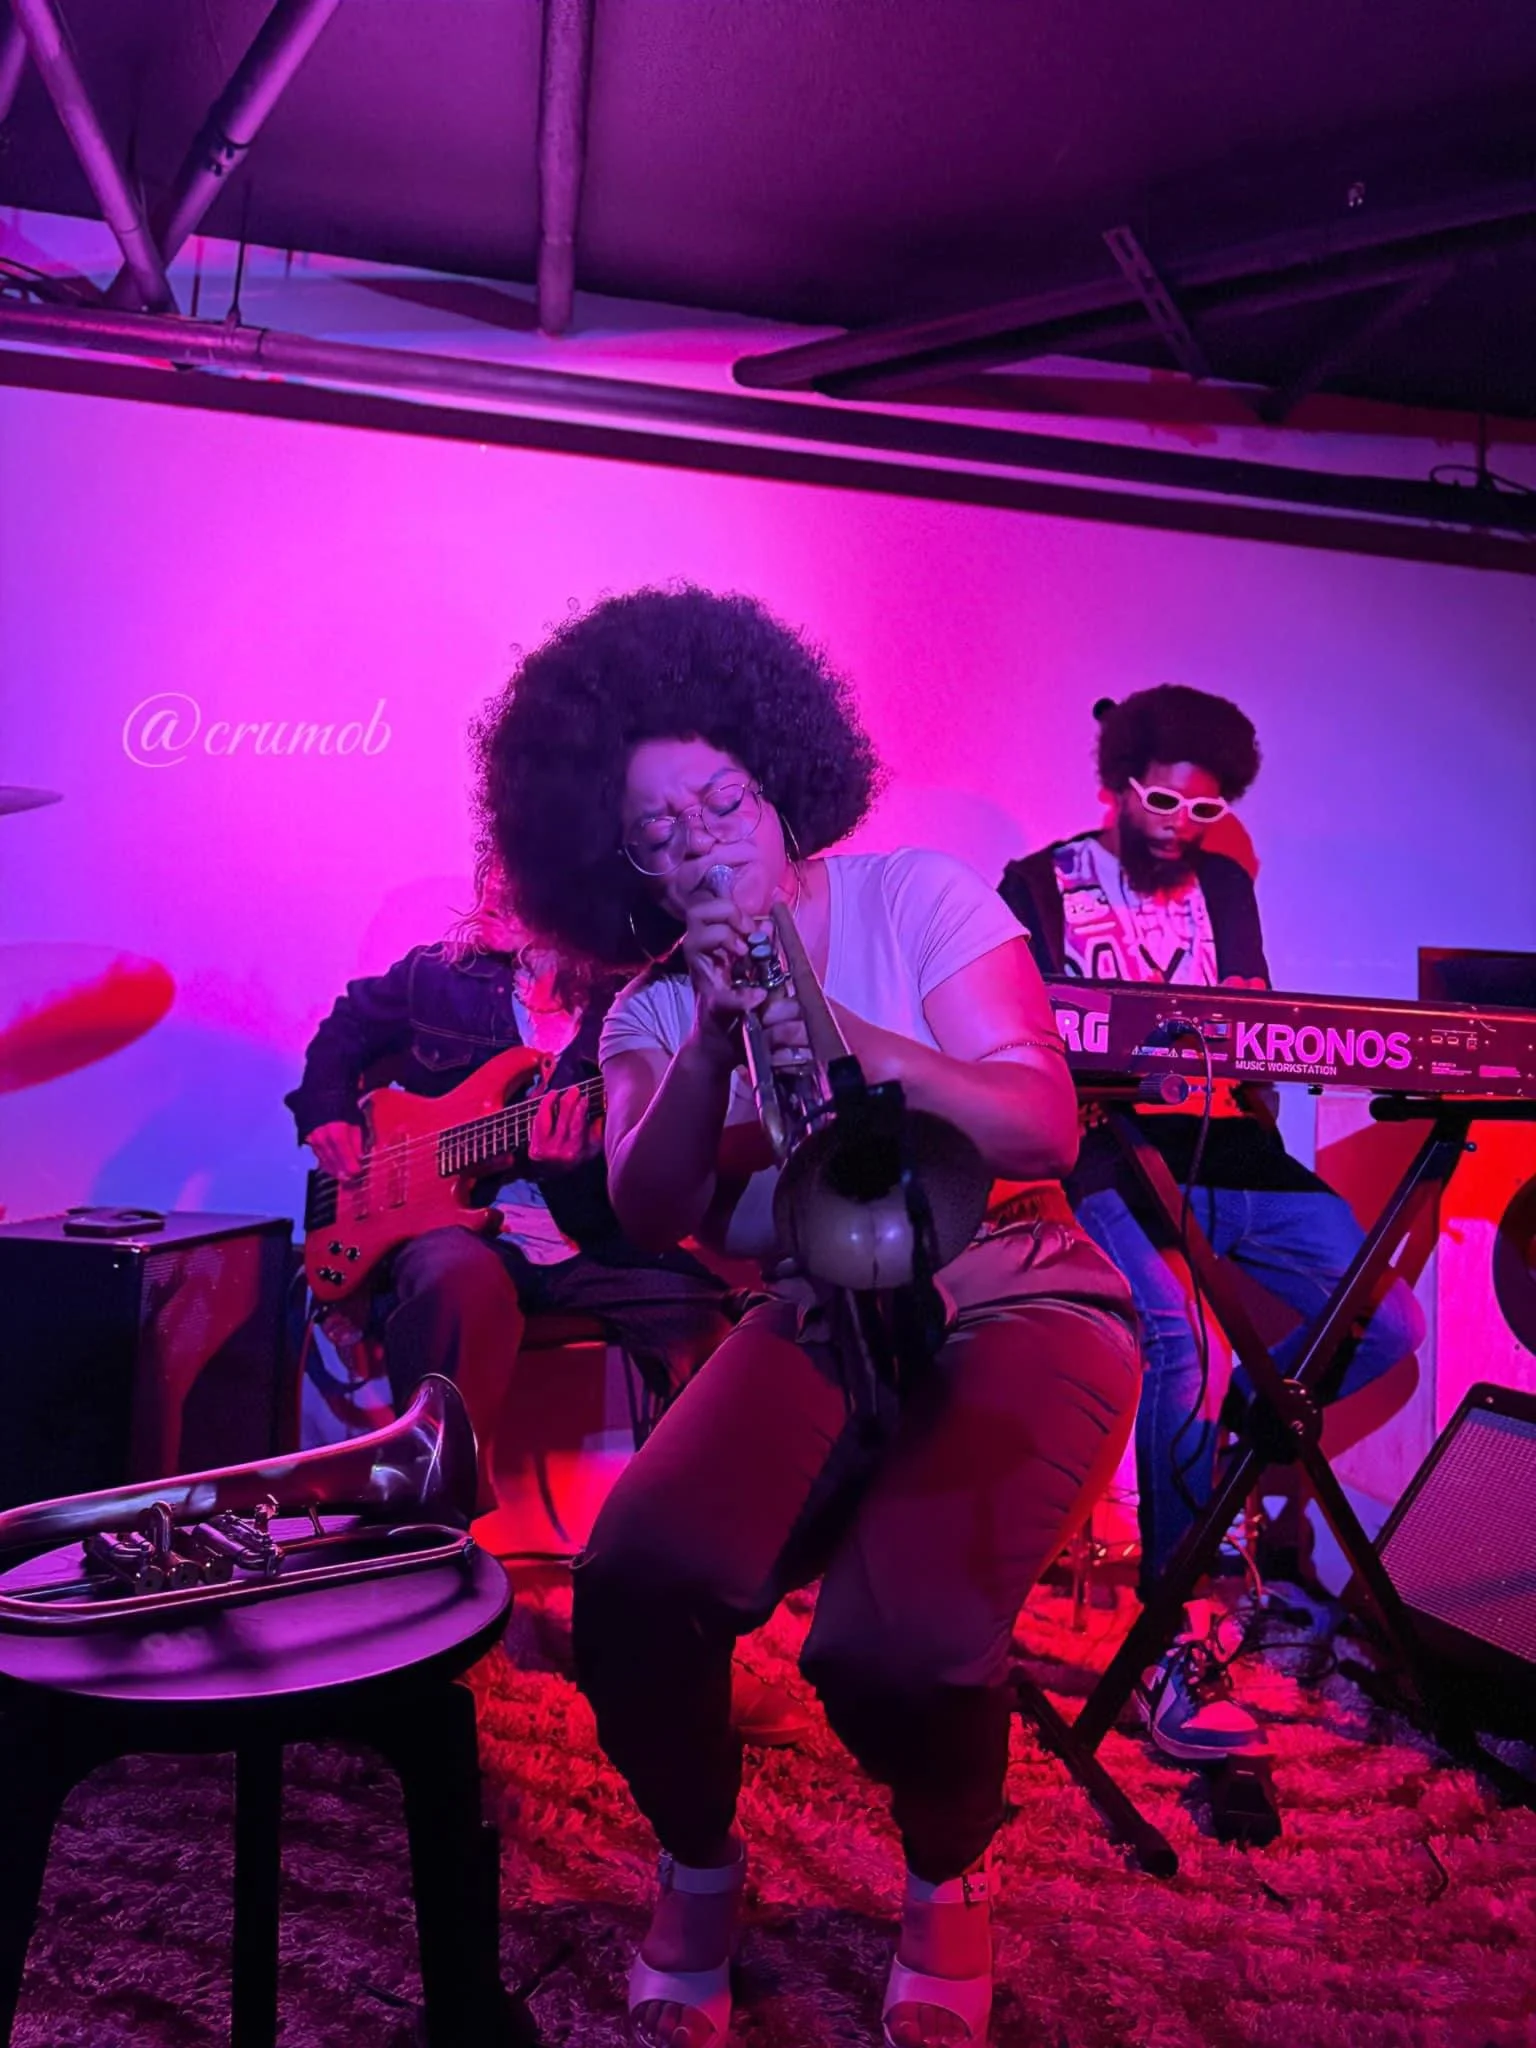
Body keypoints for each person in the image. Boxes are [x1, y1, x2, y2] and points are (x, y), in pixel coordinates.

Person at [476, 586, 1141, 2048]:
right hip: (818, 1299)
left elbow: (1036, 1120)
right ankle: (700, 1867)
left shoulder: (917, 897)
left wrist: (839, 1034)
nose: (701, 841)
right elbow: (653, 1212)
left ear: (779, 787)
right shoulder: (651, 1008)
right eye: (659, 834)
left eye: (719, 801)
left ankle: (946, 1878)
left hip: (1020, 1282)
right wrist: (716, 1035)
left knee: (892, 1649)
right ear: (624, 868)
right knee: (638, 1578)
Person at [999, 684, 1424, 1767]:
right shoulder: (1038, 883)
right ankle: (1169, 1635)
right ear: (1114, 784)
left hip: (1231, 1147)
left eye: (1204, 809)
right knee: (1178, 1342)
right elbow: (1026, 1034)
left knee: (1387, 1321)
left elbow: (1251, 1008)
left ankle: (1223, 1455)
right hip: (1115, 1152)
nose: (1180, 826)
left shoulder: (1227, 884)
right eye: (1160, 801)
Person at [284, 857, 737, 1508]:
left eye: (516, 876)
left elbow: (655, 1148)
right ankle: (437, 1518)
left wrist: (581, 1163)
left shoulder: (633, 996)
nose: (492, 888)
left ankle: (677, 1522)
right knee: (458, 1280)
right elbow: (347, 1027)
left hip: (585, 1240)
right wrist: (326, 1112)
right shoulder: (438, 975)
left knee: (707, 1318)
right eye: (489, 871)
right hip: (453, 1233)